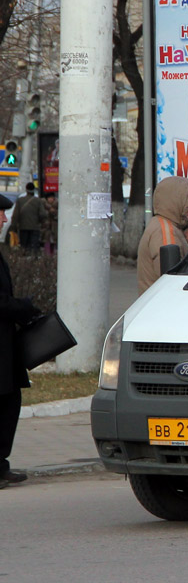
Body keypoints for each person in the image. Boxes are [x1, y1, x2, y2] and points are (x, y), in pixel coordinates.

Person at [0, 193, 41, 489]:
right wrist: (22, 307)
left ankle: (1, 465)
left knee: (9, 401)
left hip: (5, 344)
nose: (4, 219)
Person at [137, 176, 188, 294]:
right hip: (163, 305)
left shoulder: (162, 224)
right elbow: (171, 278)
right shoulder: (165, 231)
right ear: (175, 199)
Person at [11, 183, 47, 255]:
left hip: (23, 227)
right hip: (35, 227)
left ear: (26, 190)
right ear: (33, 190)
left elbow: (15, 215)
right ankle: (33, 260)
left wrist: (14, 227)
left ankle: (24, 260)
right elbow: (43, 214)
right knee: (34, 247)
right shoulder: (38, 201)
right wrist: (40, 221)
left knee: (24, 246)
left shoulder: (20, 201)